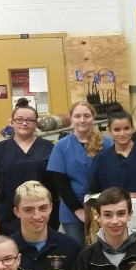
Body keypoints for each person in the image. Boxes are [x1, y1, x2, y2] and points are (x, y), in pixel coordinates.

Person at [0, 99, 57, 235]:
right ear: (11, 122)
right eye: (19, 120)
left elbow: (59, 182)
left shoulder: (50, 148)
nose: (24, 123)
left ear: (36, 124)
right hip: (7, 216)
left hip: (42, 215)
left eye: (29, 120)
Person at [47, 100, 112, 242]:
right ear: (71, 118)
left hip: (104, 208)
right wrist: (78, 210)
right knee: (77, 253)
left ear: (93, 117)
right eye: (77, 116)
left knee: (103, 250)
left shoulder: (107, 143)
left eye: (86, 116)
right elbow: (60, 183)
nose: (82, 120)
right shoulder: (62, 146)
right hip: (72, 210)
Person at [88, 110, 136, 194]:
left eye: (126, 128)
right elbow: (94, 190)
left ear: (132, 128)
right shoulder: (101, 159)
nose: (122, 133)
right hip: (113, 206)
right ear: (109, 131)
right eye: (117, 130)